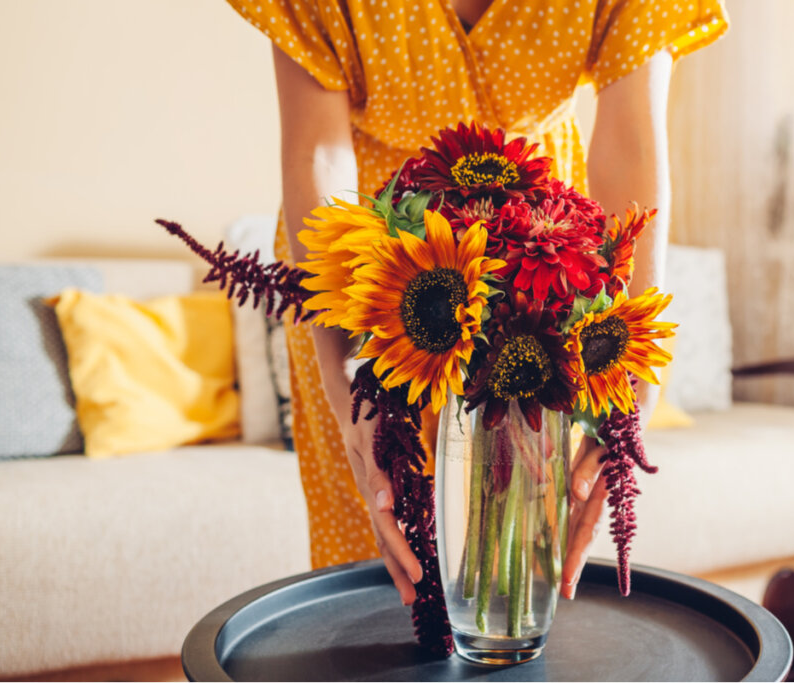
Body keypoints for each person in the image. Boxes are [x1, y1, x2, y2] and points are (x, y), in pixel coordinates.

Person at [225, 0, 728, 604]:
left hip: (542, 269)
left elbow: (631, 147)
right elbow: (318, 156)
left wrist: (631, 383)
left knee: (512, 572)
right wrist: (346, 380)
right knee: (378, 573)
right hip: (359, 276)